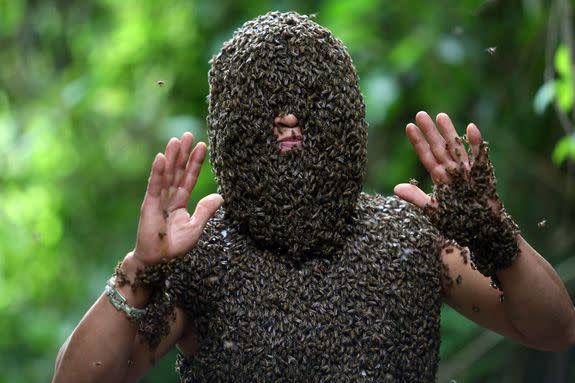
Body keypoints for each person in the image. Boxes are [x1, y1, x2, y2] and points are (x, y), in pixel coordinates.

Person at [52, 11, 575, 383]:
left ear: (346, 113)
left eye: (306, 100)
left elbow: (555, 329)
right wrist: (140, 268)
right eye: (266, 102)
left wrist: (493, 232)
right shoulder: (202, 259)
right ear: (232, 126)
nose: (287, 117)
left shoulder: (408, 238)